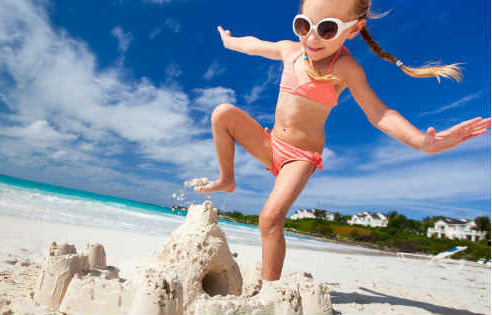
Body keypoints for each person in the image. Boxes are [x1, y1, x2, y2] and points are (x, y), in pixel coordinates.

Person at [194, 0, 491, 281]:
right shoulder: (290, 51)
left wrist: (422, 142)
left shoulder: (345, 69)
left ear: (352, 29)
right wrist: (229, 41)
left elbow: (379, 113)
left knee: (270, 219)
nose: (312, 37)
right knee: (223, 114)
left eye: (326, 29)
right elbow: (255, 45)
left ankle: (271, 291)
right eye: (303, 25)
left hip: (300, 157)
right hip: (271, 145)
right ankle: (227, 179)